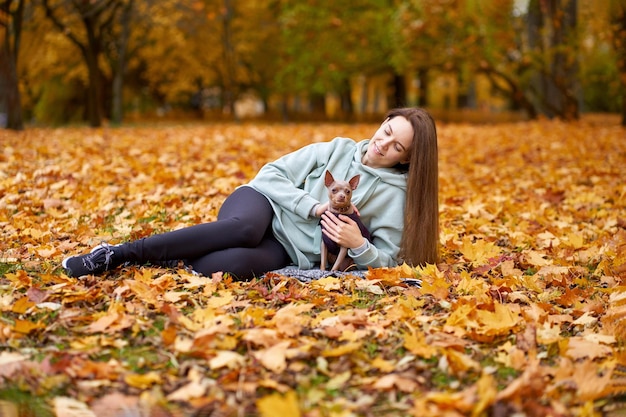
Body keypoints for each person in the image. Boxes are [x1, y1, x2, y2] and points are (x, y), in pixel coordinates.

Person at [62, 107, 439, 281]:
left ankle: (166, 259)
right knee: (242, 229)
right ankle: (116, 253)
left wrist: (358, 245)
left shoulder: (397, 196)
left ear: (408, 160)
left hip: (290, 249)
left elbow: (390, 260)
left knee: (229, 266)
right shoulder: (336, 149)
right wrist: (311, 207)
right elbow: (271, 174)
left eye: (397, 147)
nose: (382, 144)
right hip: (262, 204)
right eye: (387, 130)